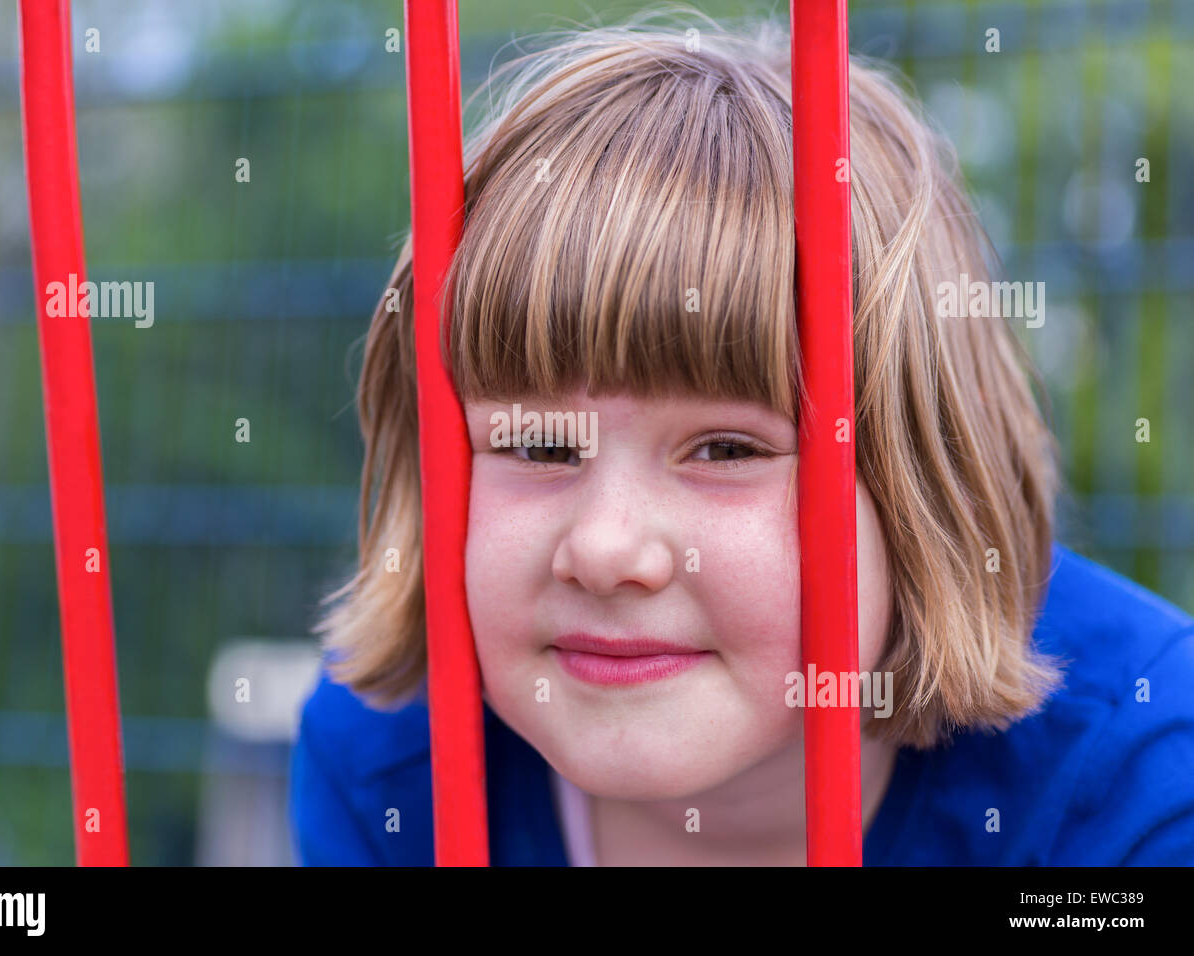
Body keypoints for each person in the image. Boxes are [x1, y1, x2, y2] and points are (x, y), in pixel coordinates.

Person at [289, 9, 1194, 865]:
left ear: (922, 490)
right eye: (538, 445)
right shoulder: (385, 765)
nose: (607, 550)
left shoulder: (1135, 775)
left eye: (726, 450)